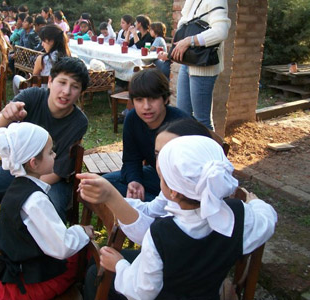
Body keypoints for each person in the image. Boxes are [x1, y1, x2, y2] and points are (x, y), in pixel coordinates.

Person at [78, 135, 277, 300]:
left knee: (95, 273)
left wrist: (120, 266)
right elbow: (267, 219)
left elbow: (143, 290)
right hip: (208, 293)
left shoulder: (160, 234)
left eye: (161, 178)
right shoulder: (240, 215)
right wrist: (255, 203)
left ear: (172, 192)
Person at [0, 57, 90, 222]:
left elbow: (58, 173)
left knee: (48, 218)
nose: (66, 91)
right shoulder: (33, 96)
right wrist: (7, 117)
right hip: (16, 170)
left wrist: (20, 190)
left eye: (75, 87)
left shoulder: (78, 122)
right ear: (50, 81)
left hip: (51, 180)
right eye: (62, 82)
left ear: (80, 92)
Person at [0, 122, 94, 300]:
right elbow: (62, 247)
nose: (55, 155)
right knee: (84, 257)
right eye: (50, 152)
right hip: (30, 279)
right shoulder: (35, 200)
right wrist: (82, 231)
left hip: (17, 264)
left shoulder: (17, 186)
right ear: (34, 163)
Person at [102, 68, 191, 202]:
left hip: (183, 185)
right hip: (155, 176)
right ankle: (149, 206)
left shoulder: (181, 125)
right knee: (103, 185)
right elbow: (131, 159)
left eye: (153, 99)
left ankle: (155, 208)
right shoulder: (132, 119)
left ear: (166, 99)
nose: (146, 106)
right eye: (139, 100)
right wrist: (134, 181)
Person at [170, 0, 230, 130]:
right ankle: (187, 149)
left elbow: (221, 32)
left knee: (202, 121)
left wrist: (190, 40)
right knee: (182, 116)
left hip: (204, 65)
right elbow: (184, 23)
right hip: (188, 62)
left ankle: (210, 150)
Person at [13, 24, 71, 95]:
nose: (42, 44)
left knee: (16, 78)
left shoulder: (42, 59)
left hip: (42, 97)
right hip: (62, 95)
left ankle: (21, 103)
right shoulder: (69, 58)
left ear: (51, 41)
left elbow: (34, 83)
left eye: (43, 41)